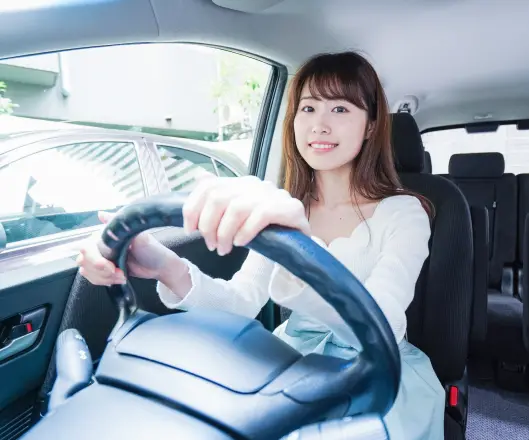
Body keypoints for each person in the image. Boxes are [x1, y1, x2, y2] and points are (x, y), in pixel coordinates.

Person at [77, 51, 445, 439]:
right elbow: (240, 302)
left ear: (370, 126)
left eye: (340, 109)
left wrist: (302, 244)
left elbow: (382, 323)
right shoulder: (289, 207)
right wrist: (166, 266)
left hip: (378, 373)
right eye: (308, 108)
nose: (319, 124)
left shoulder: (405, 212)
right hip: (290, 359)